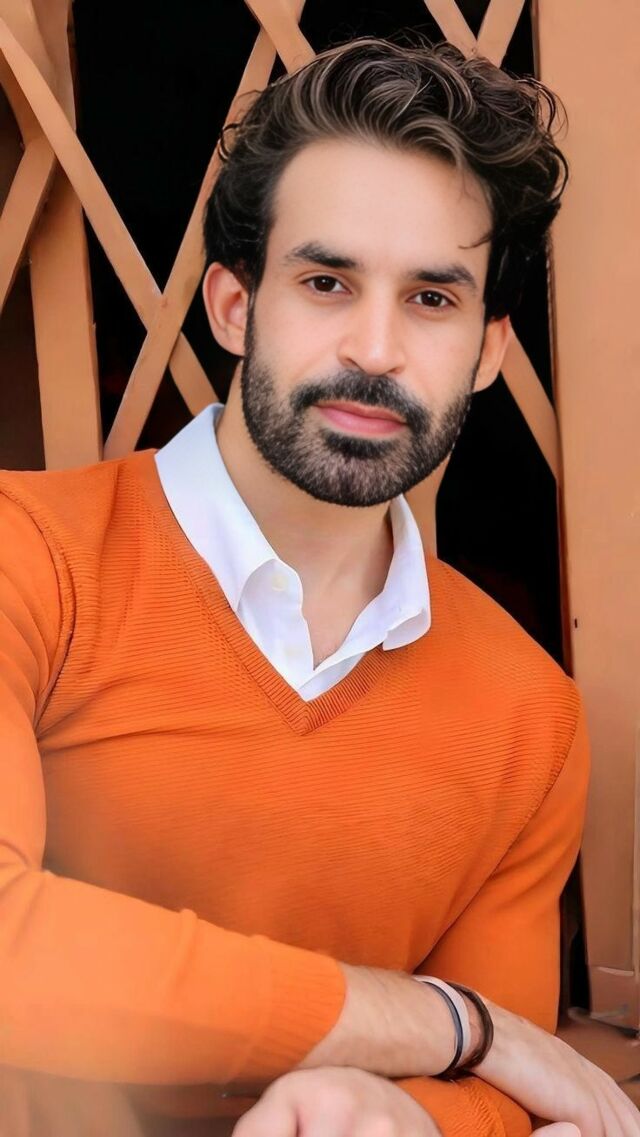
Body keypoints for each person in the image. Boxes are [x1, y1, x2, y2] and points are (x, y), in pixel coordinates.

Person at [0, 35, 636, 1137]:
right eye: (326, 282)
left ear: (488, 351)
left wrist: (391, 1111)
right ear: (233, 306)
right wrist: (424, 1020)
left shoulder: (528, 716)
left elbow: (504, 1081)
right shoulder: (27, 556)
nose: (375, 349)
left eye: (431, 298)